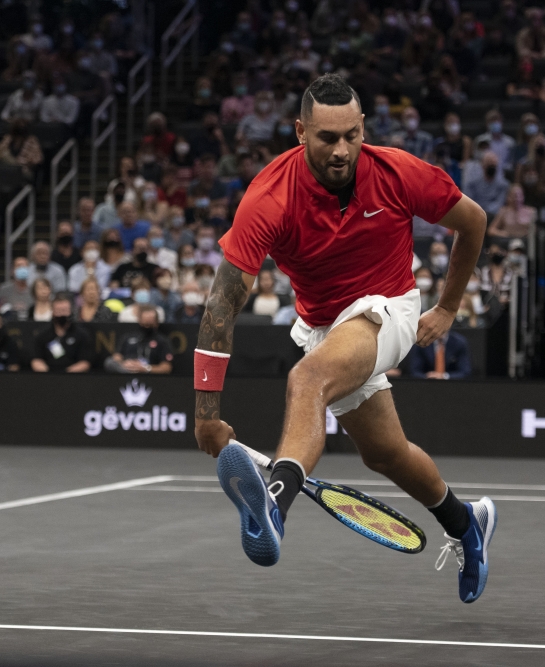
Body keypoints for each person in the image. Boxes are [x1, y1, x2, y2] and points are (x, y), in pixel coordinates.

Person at [197, 75, 495, 600]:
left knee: (308, 379)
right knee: (385, 454)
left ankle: (274, 505)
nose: (341, 150)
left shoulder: (398, 172)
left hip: (390, 306)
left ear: (363, 129)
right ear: (300, 132)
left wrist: (448, 306)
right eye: (327, 138)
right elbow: (223, 304)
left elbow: (472, 221)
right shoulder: (269, 196)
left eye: (351, 136)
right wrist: (205, 414)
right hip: (324, 327)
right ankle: (466, 521)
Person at [103, 305, 174, 374]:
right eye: (145, 323)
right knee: (109, 362)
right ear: (139, 321)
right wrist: (126, 364)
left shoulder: (162, 341)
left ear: (156, 323)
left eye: (150, 324)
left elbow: (167, 367)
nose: (147, 327)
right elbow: (117, 356)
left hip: (148, 374)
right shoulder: (128, 337)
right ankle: (131, 372)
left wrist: (146, 368)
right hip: (126, 370)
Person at [30, 295, 92, 373]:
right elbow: (36, 360)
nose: (62, 314)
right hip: (48, 375)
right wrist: (48, 374)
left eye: (65, 310)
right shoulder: (42, 335)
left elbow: (85, 363)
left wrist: (65, 374)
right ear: (52, 312)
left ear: (71, 311)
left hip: (74, 376)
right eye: (58, 311)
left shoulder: (81, 334)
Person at [407, 330, 472, 379]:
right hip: (426, 385)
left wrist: (444, 376)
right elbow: (414, 371)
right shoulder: (422, 341)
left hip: (452, 386)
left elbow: (465, 372)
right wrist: (427, 376)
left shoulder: (459, 342)